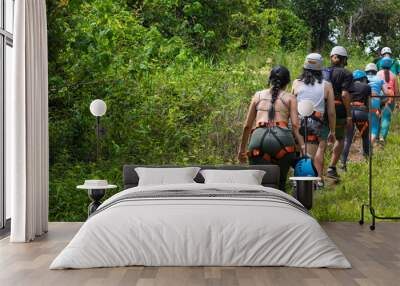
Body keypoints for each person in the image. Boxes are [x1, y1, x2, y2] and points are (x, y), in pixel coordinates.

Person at [238, 65, 304, 191]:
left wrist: (241, 150)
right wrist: (303, 148)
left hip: (258, 139)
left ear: (270, 80)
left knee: (258, 183)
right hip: (283, 142)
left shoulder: (258, 96)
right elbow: (296, 125)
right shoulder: (290, 98)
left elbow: (247, 126)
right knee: (280, 184)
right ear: (287, 83)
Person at [291, 53, 336, 182]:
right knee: (308, 157)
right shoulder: (326, 85)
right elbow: (331, 112)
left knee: (300, 155)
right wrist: (332, 131)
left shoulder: (296, 83)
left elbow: (291, 104)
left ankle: (298, 183)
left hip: (296, 122)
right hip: (314, 123)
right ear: (320, 68)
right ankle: (306, 187)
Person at [322, 46, 353, 180]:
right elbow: (345, 95)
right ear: (344, 59)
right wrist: (348, 114)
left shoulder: (322, 72)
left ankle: (317, 170)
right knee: (340, 139)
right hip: (338, 109)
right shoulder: (346, 73)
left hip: (322, 109)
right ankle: (331, 168)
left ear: (332, 57)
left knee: (321, 139)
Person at [341, 70, 371, 170]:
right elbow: (368, 103)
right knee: (365, 137)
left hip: (349, 112)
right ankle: (367, 161)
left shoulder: (348, 86)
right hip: (361, 112)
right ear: (363, 78)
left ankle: (343, 163)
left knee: (347, 139)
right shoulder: (366, 87)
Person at [377, 57, 399, 144]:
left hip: (379, 96)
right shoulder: (393, 76)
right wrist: (397, 101)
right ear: (390, 65)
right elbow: (397, 90)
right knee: (386, 118)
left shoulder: (378, 74)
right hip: (390, 97)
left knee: (377, 117)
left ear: (381, 64)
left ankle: (376, 136)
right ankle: (382, 138)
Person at [365, 63, 387, 145]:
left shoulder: (363, 78)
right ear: (376, 71)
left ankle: (365, 147)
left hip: (364, 103)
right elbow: (386, 92)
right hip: (375, 102)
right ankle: (370, 146)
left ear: (366, 71)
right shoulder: (380, 79)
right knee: (374, 127)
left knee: (366, 125)